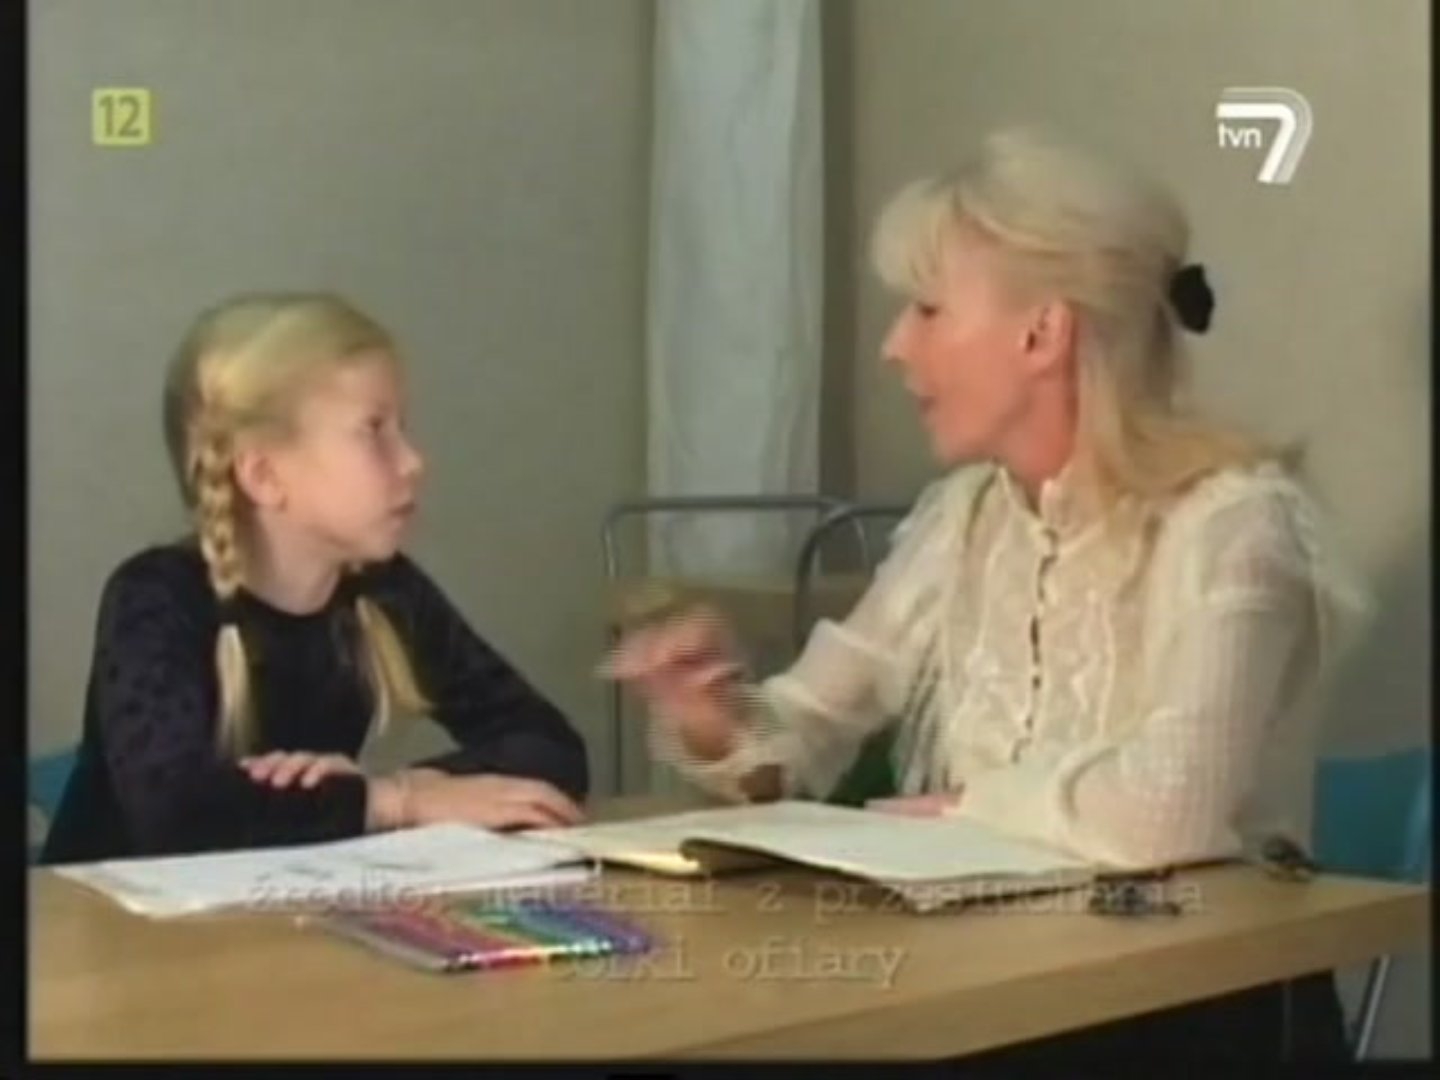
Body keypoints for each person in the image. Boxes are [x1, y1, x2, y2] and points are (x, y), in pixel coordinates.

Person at [608, 128, 1365, 1060]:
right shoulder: (962, 519)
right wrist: (714, 712)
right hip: (994, 988)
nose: (894, 347)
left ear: (1043, 333)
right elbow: (798, 737)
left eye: (927, 309)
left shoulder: (1237, 523)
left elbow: (1171, 806)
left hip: (1194, 1015)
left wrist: (968, 804)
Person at [41, 293, 589, 864]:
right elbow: (177, 815)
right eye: (373, 431)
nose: (413, 461)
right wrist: (390, 803)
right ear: (264, 475)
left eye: (402, 428)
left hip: (276, 910)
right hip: (102, 919)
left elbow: (550, 745)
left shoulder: (384, 590)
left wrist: (412, 788)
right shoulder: (155, 597)